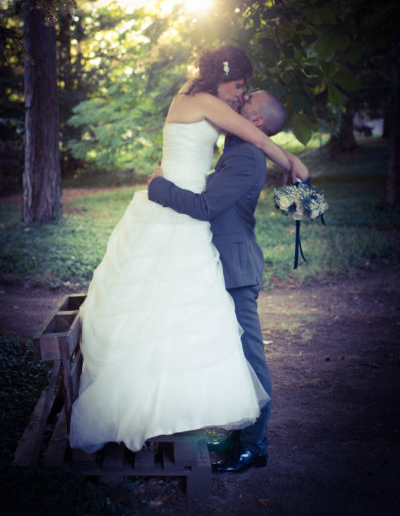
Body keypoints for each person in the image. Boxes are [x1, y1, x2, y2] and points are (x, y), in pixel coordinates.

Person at [70, 46, 307, 455]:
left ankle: (246, 441)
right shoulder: (207, 103)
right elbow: (258, 139)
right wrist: (292, 162)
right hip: (181, 214)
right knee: (169, 320)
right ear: (223, 78)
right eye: (239, 86)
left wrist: (291, 164)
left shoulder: (201, 107)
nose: (239, 94)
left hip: (191, 218)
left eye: (245, 93)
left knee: (184, 322)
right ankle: (166, 414)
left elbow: (255, 140)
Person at [147, 89, 308, 473]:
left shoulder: (247, 157)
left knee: (251, 357)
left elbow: (205, 207)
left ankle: (256, 446)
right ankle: (240, 433)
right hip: (225, 262)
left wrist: (158, 187)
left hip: (236, 268)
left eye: (248, 99)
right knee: (232, 355)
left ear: (255, 122)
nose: (240, 99)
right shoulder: (237, 150)